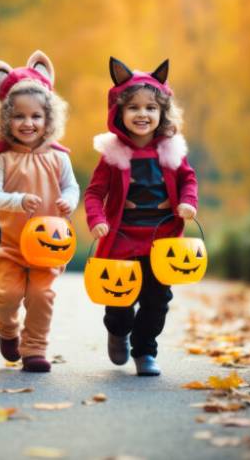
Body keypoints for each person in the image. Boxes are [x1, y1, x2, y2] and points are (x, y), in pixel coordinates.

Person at [84, 57, 198, 376]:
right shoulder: (112, 154)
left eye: (150, 108)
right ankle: (118, 330)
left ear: (162, 113)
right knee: (120, 300)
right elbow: (94, 193)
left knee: (157, 299)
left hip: (161, 242)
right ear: (119, 113)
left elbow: (188, 179)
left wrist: (188, 202)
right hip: (122, 240)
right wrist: (97, 220)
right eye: (133, 107)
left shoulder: (172, 150)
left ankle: (145, 349)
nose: (142, 114)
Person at [0, 50, 79, 372]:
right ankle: (7, 328)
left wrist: (68, 200)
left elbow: (71, 186)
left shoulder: (59, 157)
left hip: (48, 245)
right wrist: (18, 201)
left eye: (36, 116)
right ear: (5, 119)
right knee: (6, 295)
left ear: (48, 120)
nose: (28, 123)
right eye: (19, 116)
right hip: (6, 243)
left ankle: (35, 347)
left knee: (42, 296)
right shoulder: (1, 158)